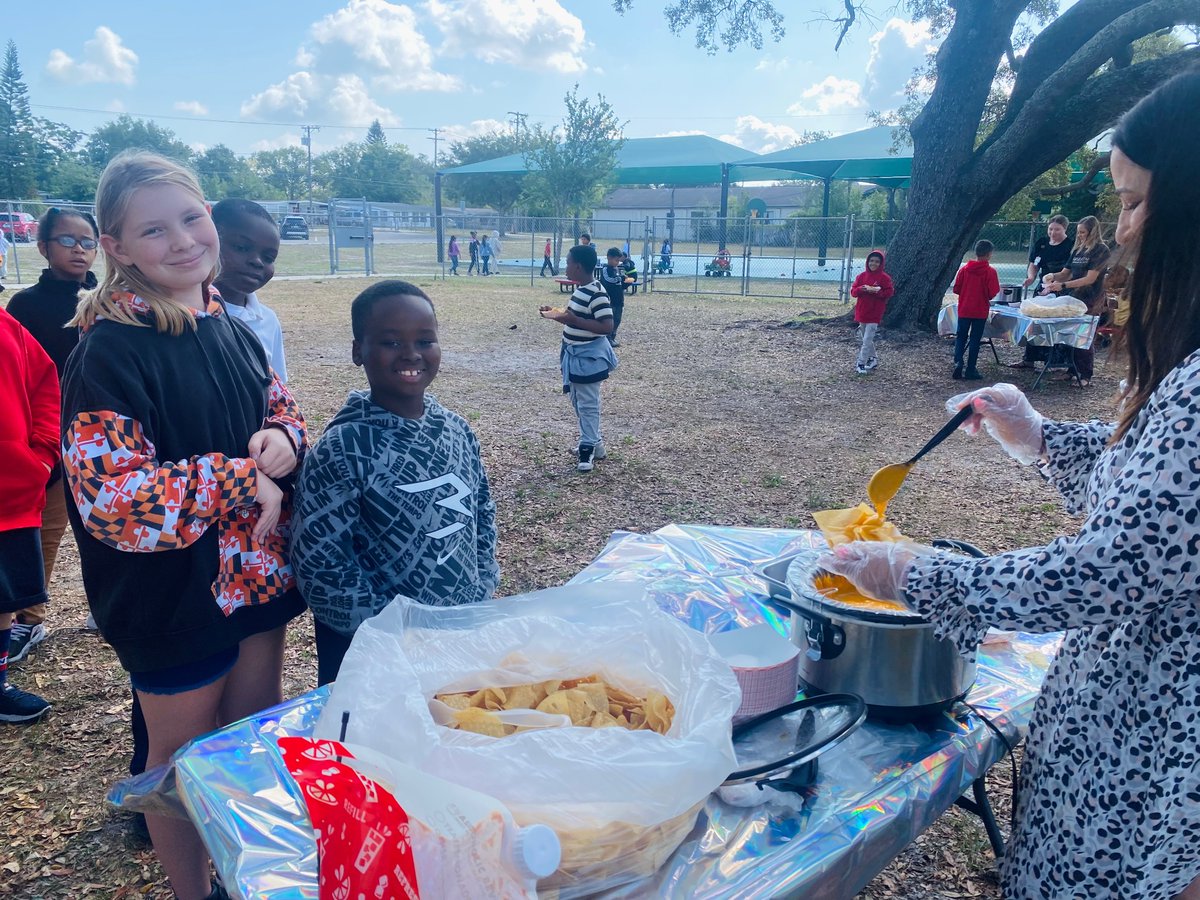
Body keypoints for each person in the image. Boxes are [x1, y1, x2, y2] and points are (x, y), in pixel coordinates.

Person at [821, 70, 1200, 900]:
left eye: (1137, 203)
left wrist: (921, 573)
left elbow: (1112, 568)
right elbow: (1159, 503)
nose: (1125, 233)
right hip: (1110, 740)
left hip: (1151, 765)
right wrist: (1040, 439)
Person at [60, 151, 308, 900]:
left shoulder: (229, 327)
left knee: (248, 740)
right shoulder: (109, 351)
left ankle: (243, 876)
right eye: (153, 229)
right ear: (117, 248)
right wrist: (244, 476)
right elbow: (116, 502)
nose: (182, 240)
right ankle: (193, 891)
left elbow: (279, 404)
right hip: (172, 596)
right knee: (181, 760)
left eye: (191, 218)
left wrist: (285, 441)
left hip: (255, 579)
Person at [291, 281, 499, 686]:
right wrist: (391, 633)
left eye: (425, 340)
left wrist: (482, 584)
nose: (410, 354)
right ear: (358, 352)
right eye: (390, 341)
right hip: (375, 652)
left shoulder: (456, 429)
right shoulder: (344, 447)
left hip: (457, 631)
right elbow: (321, 563)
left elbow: (482, 513)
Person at [5, 208, 99, 655]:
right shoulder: (25, 306)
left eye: (87, 240)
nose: (79, 248)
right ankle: (27, 617)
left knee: (104, 523)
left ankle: (106, 603)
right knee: (45, 528)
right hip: (52, 435)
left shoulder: (105, 295)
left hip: (102, 433)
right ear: (42, 247)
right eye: (67, 240)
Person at [0, 305, 58, 724]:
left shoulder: (7, 327)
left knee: (4, 596)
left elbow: (44, 384)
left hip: (10, 496)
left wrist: (40, 455)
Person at [539, 244, 616, 473]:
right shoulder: (581, 289)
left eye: (568, 262)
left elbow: (607, 326)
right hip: (573, 355)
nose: (565, 265)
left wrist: (571, 321)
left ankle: (587, 447)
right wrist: (557, 314)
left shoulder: (596, 292)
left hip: (589, 357)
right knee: (577, 399)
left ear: (578, 266)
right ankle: (596, 443)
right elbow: (575, 316)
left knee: (588, 403)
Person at [212, 199, 288, 382]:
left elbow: (278, 390)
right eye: (242, 247)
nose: (257, 261)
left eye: (268, 257)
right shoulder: (181, 313)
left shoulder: (268, 321)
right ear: (209, 240)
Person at [1041, 214, 1110, 388]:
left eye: (1083, 232)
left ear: (1092, 232)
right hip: (1075, 297)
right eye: (1078, 232)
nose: (1079, 235)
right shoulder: (1078, 249)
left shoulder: (1100, 250)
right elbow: (1067, 272)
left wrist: (1063, 285)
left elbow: (1090, 278)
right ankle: (1071, 370)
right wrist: (1053, 276)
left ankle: (1085, 373)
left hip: (1091, 299)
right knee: (1070, 333)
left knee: (1084, 335)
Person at [1011, 215, 1073, 369]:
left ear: (1065, 229)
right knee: (1035, 322)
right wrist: (1031, 277)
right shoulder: (1042, 243)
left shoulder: (1071, 246)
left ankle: (1054, 361)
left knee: (1054, 324)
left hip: (1060, 288)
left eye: (1057, 229)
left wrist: (1055, 284)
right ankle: (1029, 359)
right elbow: (1033, 264)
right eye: (1050, 229)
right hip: (1042, 287)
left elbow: (1071, 271)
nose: (1053, 232)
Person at [951, 239, 1000, 381]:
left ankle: (958, 362)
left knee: (961, 336)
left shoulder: (964, 269)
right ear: (989, 254)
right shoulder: (990, 272)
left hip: (965, 308)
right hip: (980, 310)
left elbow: (957, 289)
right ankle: (971, 368)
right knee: (975, 339)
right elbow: (992, 292)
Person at [849, 249, 894, 375]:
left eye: (877, 262)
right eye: (871, 261)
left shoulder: (885, 278)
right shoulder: (861, 276)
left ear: (881, 263)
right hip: (862, 311)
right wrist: (861, 289)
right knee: (865, 337)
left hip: (875, 312)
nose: (873, 264)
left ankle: (861, 363)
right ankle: (873, 359)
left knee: (867, 339)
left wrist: (878, 292)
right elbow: (853, 292)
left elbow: (889, 292)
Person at [599, 247, 627, 347]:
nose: (617, 263)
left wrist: (626, 283)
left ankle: (612, 336)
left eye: (618, 261)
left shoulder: (617, 269)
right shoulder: (606, 269)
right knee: (610, 319)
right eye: (616, 260)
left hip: (619, 299)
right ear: (609, 258)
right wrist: (620, 278)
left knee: (617, 319)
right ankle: (607, 338)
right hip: (610, 299)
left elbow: (619, 284)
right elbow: (609, 280)